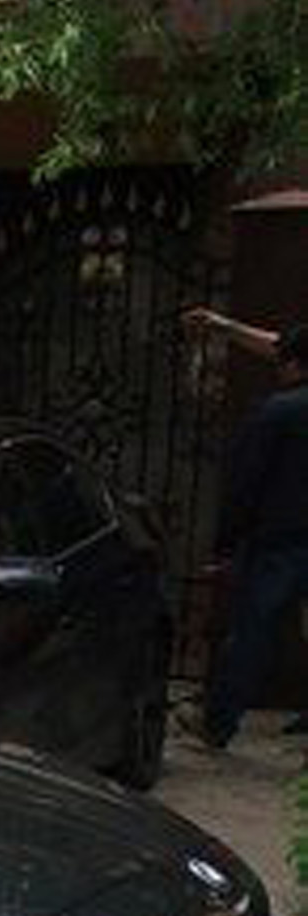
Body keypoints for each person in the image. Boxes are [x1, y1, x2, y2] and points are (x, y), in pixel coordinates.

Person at [184, 307, 308, 748]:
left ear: (291, 365)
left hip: (279, 540)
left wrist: (225, 545)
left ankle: (218, 723)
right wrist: (225, 328)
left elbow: (245, 485)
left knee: (252, 631)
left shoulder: (277, 412)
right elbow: (282, 345)